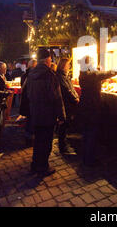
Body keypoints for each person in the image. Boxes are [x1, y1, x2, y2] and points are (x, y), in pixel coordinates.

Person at [78, 56, 117, 166]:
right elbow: (107, 73)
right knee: (91, 132)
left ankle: (86, 157)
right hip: (91, 106)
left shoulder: (83, 73)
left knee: (86, 133)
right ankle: (89, 160)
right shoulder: (91, 74)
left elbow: (97, 79)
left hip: (85, 105)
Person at [27, 48, 66, 176]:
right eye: (50, 59)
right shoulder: (49, 75)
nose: (51, 61)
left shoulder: (31, 74)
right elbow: (56, 97)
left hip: (36, 113)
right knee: (46, 142)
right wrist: (61, 116)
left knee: (38, 140)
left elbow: (28, 94)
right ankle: (43, 167)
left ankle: (35, 164)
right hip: (47, 114)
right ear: (47, 60)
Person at [56, 58, 79, 155]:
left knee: (64, 125)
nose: (69, 67)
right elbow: (66, 90)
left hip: (67, 104)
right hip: (66, 104)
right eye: (68, 65)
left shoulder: (63, 76)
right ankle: (63, 146)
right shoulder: (60, 76)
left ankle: (63, 144)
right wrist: (75, 99)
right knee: (63, 125)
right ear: (63, 66)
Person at [19, 59, 37, 146]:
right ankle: (30, 140)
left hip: (26, 101)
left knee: (29, 120)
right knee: (31, 120)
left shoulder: (24, 75)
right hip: (32, 101)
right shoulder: (34, 76)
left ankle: (28, 138)